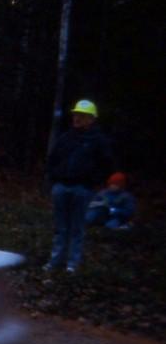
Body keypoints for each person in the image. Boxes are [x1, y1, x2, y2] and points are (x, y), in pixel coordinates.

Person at [44, 99, 115, 273]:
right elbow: (52, 159)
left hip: (82, 189)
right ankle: (55, 261)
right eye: (76, 115)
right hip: (61, 187)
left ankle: (72, 264)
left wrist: (92, 181)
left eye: (82, 116)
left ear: (91, 119)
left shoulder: (99, 141)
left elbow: (107, 165)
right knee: (60, 227)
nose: (77, 118)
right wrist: (55, 178)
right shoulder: (66, 138)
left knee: (77, 227)